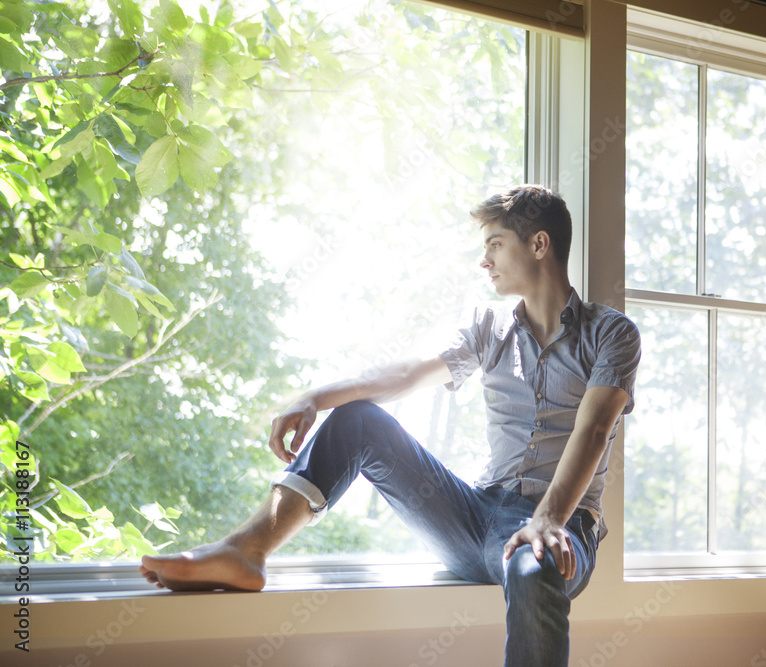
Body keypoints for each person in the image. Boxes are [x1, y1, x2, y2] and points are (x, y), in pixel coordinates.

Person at [139, 184, 641, 667]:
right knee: (359, 418)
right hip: (476, 516)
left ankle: (538, 540)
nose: (483, 260)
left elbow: (593, 430)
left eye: (494, 244)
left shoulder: (612, 333)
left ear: (538, 244)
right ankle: (245, 551)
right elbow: (404, 374)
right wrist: (316, 396)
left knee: (533, 568)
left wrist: (547, 519)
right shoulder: (488, 325)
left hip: (562, 528)